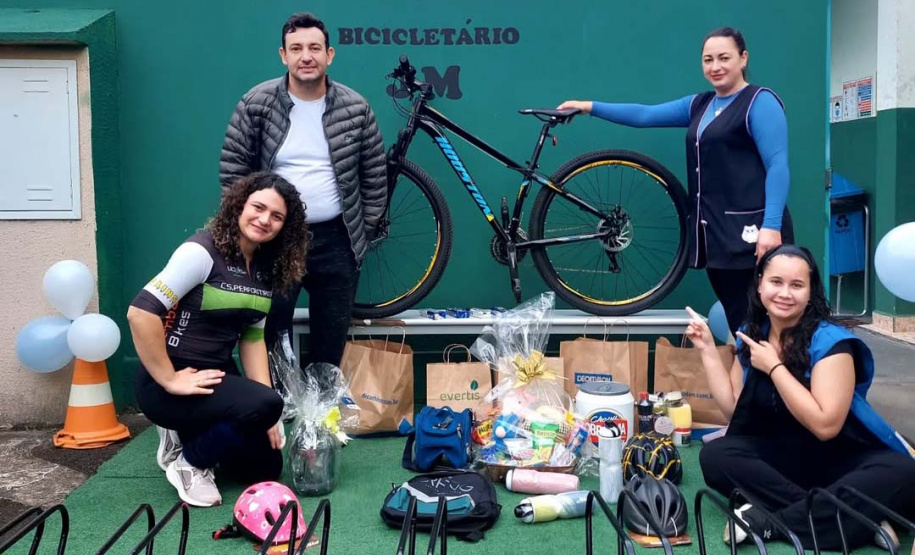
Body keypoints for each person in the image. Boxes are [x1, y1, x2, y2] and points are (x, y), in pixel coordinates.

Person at [558, 26, 792, 335]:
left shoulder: (759, 102)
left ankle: (773, 381)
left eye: (724, 58)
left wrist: (771, 227)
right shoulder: (701, 104)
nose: (716, 67)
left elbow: (778, 165)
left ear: (743, 58)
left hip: (754, 235)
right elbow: (644, 115)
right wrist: (590, 107)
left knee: (772, 327)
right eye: (708, 60)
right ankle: (747, 382)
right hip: (716, 235)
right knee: (741, 323)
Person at [686, 244, 915, 550]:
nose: (785, 293)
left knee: (901, 472)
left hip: (843, 457)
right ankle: (855, 521)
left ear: (810, 294)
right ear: (760, 285)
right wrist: (707, 351)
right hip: (790, 460)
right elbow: (733, 410)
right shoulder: (752, 332)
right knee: (716, 456)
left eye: (797, 285)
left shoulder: (831, 342)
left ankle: (770, 521)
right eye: (776, 282)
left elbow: (826, 426)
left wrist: (775, 368)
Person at [127, 173, 308, 507]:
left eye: (277, 216)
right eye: (258, 207)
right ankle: (189, 462)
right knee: (267, 405)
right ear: (239, 205)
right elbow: (140, 313)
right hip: (170, 382)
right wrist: (169, 378)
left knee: (264, 468)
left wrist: (267, 412)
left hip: (214, 381)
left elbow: (253, 339)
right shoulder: (201, 251)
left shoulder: (265, 268)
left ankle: (189, 434)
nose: (265, 219)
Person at [219, 12, 387, 367]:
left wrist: (365, 227)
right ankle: (272, 411)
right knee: (268, 332)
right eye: (296, 48)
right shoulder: (257, 103)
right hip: (275, 239)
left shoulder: (356, 108)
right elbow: (234, 170)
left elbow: (374, 174)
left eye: (314, 47)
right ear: (283, 55)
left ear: (330, 54)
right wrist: (250, 231)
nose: (305, 56)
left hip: (338, 239)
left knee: (331, 339)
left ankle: (321, 416)